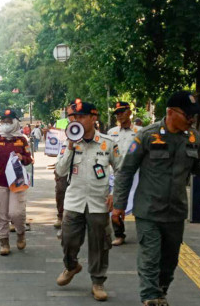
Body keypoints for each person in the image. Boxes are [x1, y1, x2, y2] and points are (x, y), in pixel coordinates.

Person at [112, 91, 200, 306]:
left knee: (170, 261)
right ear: (170, 113)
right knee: (150, 256)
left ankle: (160, 293)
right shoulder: (147, 135)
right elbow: (126, 170)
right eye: (188, 115)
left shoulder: (193, 137)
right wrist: (119, 205)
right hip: (148, 210)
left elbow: (197, 167)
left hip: (176, 211)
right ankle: (150, 297)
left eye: (194, 115)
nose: (192, 119)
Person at [55, 99, 122, 302]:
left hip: (98, 202)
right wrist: (69, 147)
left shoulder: (108, 143)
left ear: (94, 118)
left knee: (100, 244)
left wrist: (115, 194)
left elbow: (121, 171)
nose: (77, 121)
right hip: (74, 201)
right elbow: (60, 170)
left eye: (82, 117)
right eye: (74, 117)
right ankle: (71, 265)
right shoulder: (69, 142)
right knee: (67, 240)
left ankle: (98, 281)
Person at [0, 109, 33, 256]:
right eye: (3, 121)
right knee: (0, 213)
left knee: (16, 212)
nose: (6, 123)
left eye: (9, 121)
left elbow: (29, 159)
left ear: (15, 122)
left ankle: (20, 233)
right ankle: (4, 242)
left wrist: (21, 157)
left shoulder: (22, 139)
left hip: (17, 180)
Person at [107, 101, 140, 246]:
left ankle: (145, 233)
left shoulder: (141, 132)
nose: (119, 115)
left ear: (129, 112)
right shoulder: (111, 133)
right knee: (114, 208)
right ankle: (119, 234)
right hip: (118, 174)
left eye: (122, 112)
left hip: (138, 175)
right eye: (117, 113)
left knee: (140, 205)